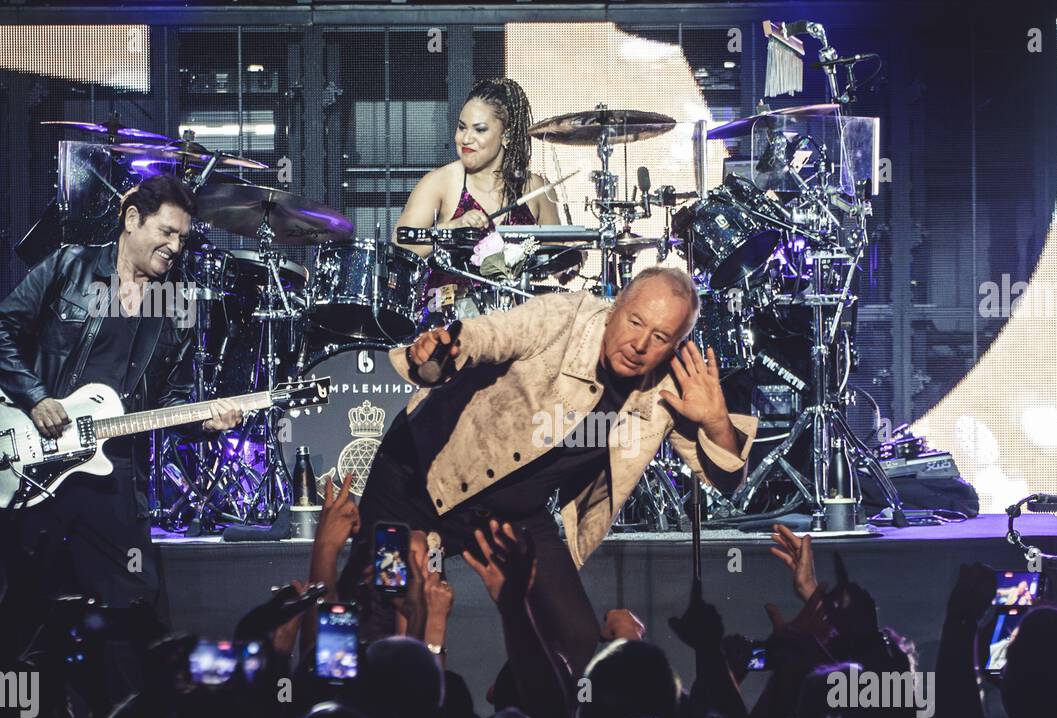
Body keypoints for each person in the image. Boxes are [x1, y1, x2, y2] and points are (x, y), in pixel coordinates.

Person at [318, 266, 757, 676]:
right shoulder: (564, 318)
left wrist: (716, 421)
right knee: (375, 613)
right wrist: (447, 347)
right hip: (417, 481)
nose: (640, 344)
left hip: (510, 515)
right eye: (635, 322)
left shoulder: (669, 387)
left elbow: (725, 478)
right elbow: (491, 335)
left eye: (660, 336)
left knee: (580, 645)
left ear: (677, 343)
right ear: (615, 306)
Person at [0, 174, 242, 620]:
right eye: (167, 232)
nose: (176, 247)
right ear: (133, 219)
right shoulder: (70, 267)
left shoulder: (177, 304)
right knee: (22, 611)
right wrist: (36, 397)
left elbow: (172, 403)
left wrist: (204, 422)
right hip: (40, 465)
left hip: (115, 475)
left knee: (137, 607)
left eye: (182, 237)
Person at [395, 78, 562, 327]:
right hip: (446, 323)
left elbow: (559, 255)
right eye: (462, 127)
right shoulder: (440, 182)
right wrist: (451, 229)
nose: (465, 138)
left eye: (479, 129)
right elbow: (399, 250)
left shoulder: (535, 188)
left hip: (515, 323)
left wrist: (568, 263)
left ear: (505, 134)